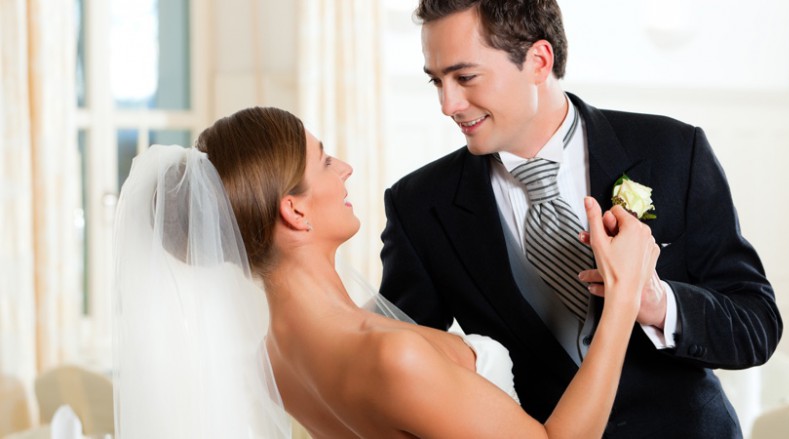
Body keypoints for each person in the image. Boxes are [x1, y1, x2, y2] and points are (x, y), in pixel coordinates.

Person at [113, 106, 660, 438]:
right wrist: (623, 292)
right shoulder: (389, 356)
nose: (345, 168)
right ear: (294, 211)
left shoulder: (269, 360)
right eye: (324, 160)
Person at [379, 1, 783, 437]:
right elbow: (400, 361)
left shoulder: (672, 150)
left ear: (539, 61)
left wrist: (655, 301)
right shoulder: (419, 204)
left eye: (465, 77)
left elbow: (755, 325)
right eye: (436, 81)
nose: (448, 103)